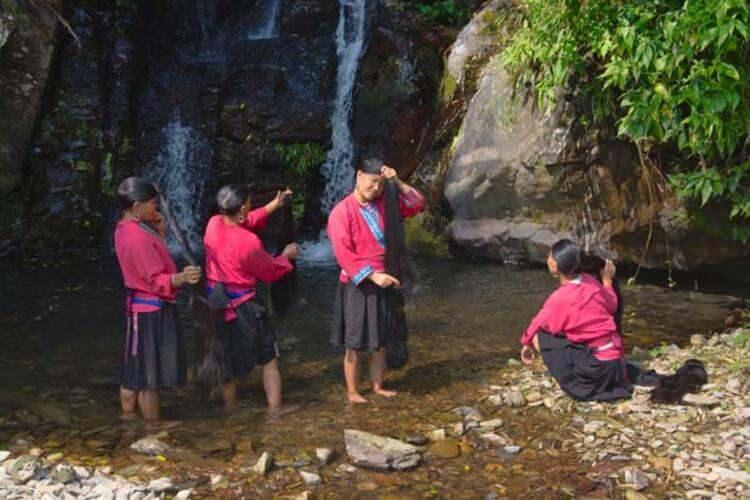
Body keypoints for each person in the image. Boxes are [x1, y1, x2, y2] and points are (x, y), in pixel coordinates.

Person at [519, 239, 706, 402]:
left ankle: (577, 380)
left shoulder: (559, 298)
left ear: (556, 267)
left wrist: (526, 343)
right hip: (615, 364)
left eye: (551, 255)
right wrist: (607, 281)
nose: (548, 257)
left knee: (540, 336)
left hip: (597, 372)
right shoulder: (590, 281)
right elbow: (611, 306)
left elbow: (539, 322)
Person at [327, 158, 425, 404]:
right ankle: (352, 392)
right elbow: (343, 254)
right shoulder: (342, 212)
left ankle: (377, 385)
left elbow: (417, 203)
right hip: (358, 284)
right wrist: (372, 275)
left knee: (381, 341)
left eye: (381, 185)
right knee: (355, 343)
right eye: (373, 183)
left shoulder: (386, 204)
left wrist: (397, 182)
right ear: (359, 176)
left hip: (387, 277)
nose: (377, 189)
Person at [203, 184, 298, 415]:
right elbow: (269, 271)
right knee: (268, 357)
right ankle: (275, 409)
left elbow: (246, 220)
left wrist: (272, 206)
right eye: (248, 202)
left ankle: (230, 410)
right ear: (243, 208)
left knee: (225, 356)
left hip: (217, 302)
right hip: (245, 305)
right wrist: (285, 257)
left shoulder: (213, 224)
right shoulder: (249, 243)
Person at [113, 177, 202, 422]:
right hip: (150, 312)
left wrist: (160, 233)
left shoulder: (126, 229)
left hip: (139, 310)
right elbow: (155, 280)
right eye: (152, 204)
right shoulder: (137, 237)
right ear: (137, 204)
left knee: (134, 371)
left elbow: (145, 267)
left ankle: (128, 423)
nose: (156, 208)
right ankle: (152, 431)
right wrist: (183, 277)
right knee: (148, 378)